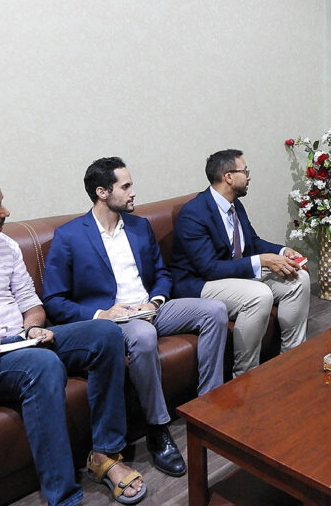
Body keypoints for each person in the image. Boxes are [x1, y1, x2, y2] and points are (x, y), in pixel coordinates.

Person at [0, 171, 146, 506]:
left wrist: (33, 327)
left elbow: (31, 304)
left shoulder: (4, 246)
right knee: (42, 364)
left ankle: (105, 454)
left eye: (1, 203)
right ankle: (63, 497)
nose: (5, 212)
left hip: (20, 342)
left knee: (105, 333)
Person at [42, 157, 228, 478]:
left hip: (151, 308)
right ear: (102, 192)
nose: (133, 192)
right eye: (125, 186)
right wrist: (103, 313)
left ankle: (208, 404)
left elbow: (162, 273)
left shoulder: (139, 226)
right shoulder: (69, 236)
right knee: (143, 335)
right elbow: (54, 301)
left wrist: (155, 301)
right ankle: (158, 427)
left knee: (215, 310)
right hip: (115, 322)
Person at [169, 149, 309, 377]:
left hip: (235, 276)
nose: (249, 177)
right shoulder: (193, 214)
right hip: (200, 283)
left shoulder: (234, 205)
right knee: (259, 295)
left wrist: (282, 251)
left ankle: (292, 358)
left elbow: (252, 242)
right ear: (228, 177)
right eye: (245, 171)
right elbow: (209, 268)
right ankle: (245, 375)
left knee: (298, 278)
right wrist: (261, 261)